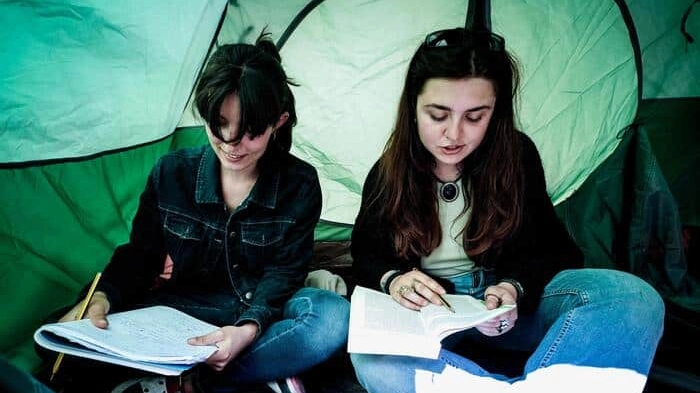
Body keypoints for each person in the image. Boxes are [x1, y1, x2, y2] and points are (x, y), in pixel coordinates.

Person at [349, 27, 665, 393]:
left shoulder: (517, 156)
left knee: (632, 297)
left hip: (510, 311)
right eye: (438, 115)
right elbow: (366, 255)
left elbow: (554, 250)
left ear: (495, 113)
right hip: (431, 315)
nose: (454, 134)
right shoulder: (388, 171)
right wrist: (395, 279)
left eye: (474, 117)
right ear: (413, 109)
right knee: (374, 358)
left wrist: (513, 287)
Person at [36, 30, 349, 393]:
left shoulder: (300, 183)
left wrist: (247, 330)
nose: (232, 143)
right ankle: (221, 375)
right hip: (174, 315)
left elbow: (284, 274)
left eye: (250, 131)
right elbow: (141, 254)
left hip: (256, 316)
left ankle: (188, 377)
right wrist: (104, 295)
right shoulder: (172, 172)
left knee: (329, 319)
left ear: (278, 122)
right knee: (58, 337)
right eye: (220, 124)